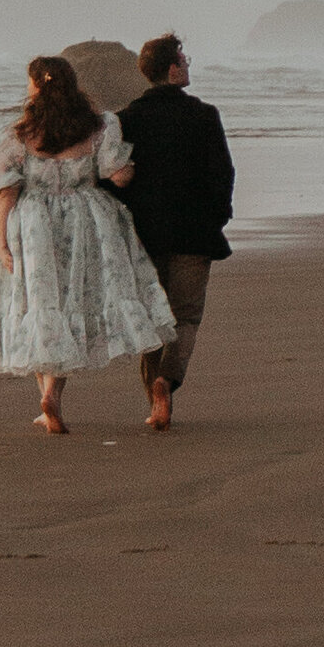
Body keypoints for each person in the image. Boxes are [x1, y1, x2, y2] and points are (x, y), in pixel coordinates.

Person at [0, 54, 176, 434]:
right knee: (74, 300)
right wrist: (132, 168)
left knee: (40, 302)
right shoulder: (98, 126)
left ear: (36, 87)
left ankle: (49, 395)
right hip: (88, 220)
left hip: (33, 224)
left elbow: (5, 191)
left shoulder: (18, 133)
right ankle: (52, 393)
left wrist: (1, 242)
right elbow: (117, 176)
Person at [115, 33, 235, 432]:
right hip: (194, 233)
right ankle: (168, 381)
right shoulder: (204, 115)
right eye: (185, 58)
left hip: (143, 234)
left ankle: (154, 398)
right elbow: (223, 175)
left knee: (151, 317)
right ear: (172, 69)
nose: (188, 64)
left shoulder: (127, 118)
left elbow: (112, 178)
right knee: (185, 316)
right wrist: (218, 217)